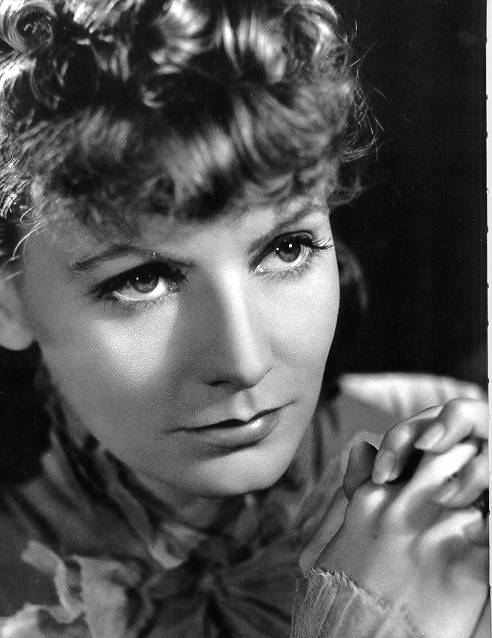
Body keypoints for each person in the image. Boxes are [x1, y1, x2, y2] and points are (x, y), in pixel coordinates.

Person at [0, 0, 487, 636]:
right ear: (8, 301)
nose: (244, 361)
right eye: (143, 280)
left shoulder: (446, 452)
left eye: (287, 249)